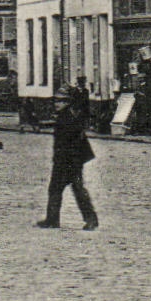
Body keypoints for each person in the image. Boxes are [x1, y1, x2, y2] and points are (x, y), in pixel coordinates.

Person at [36, 87, 100, 230]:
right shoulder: (65, 116)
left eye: (60, 101)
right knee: (56, 189)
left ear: (67, 102)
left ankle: (90, 219)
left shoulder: (68, 118)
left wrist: (71, 162)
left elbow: (74, 142)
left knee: (76, 189)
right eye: (56, 100)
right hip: (64, 160)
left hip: (70, 161)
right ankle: (52, 219)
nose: (56, 104)